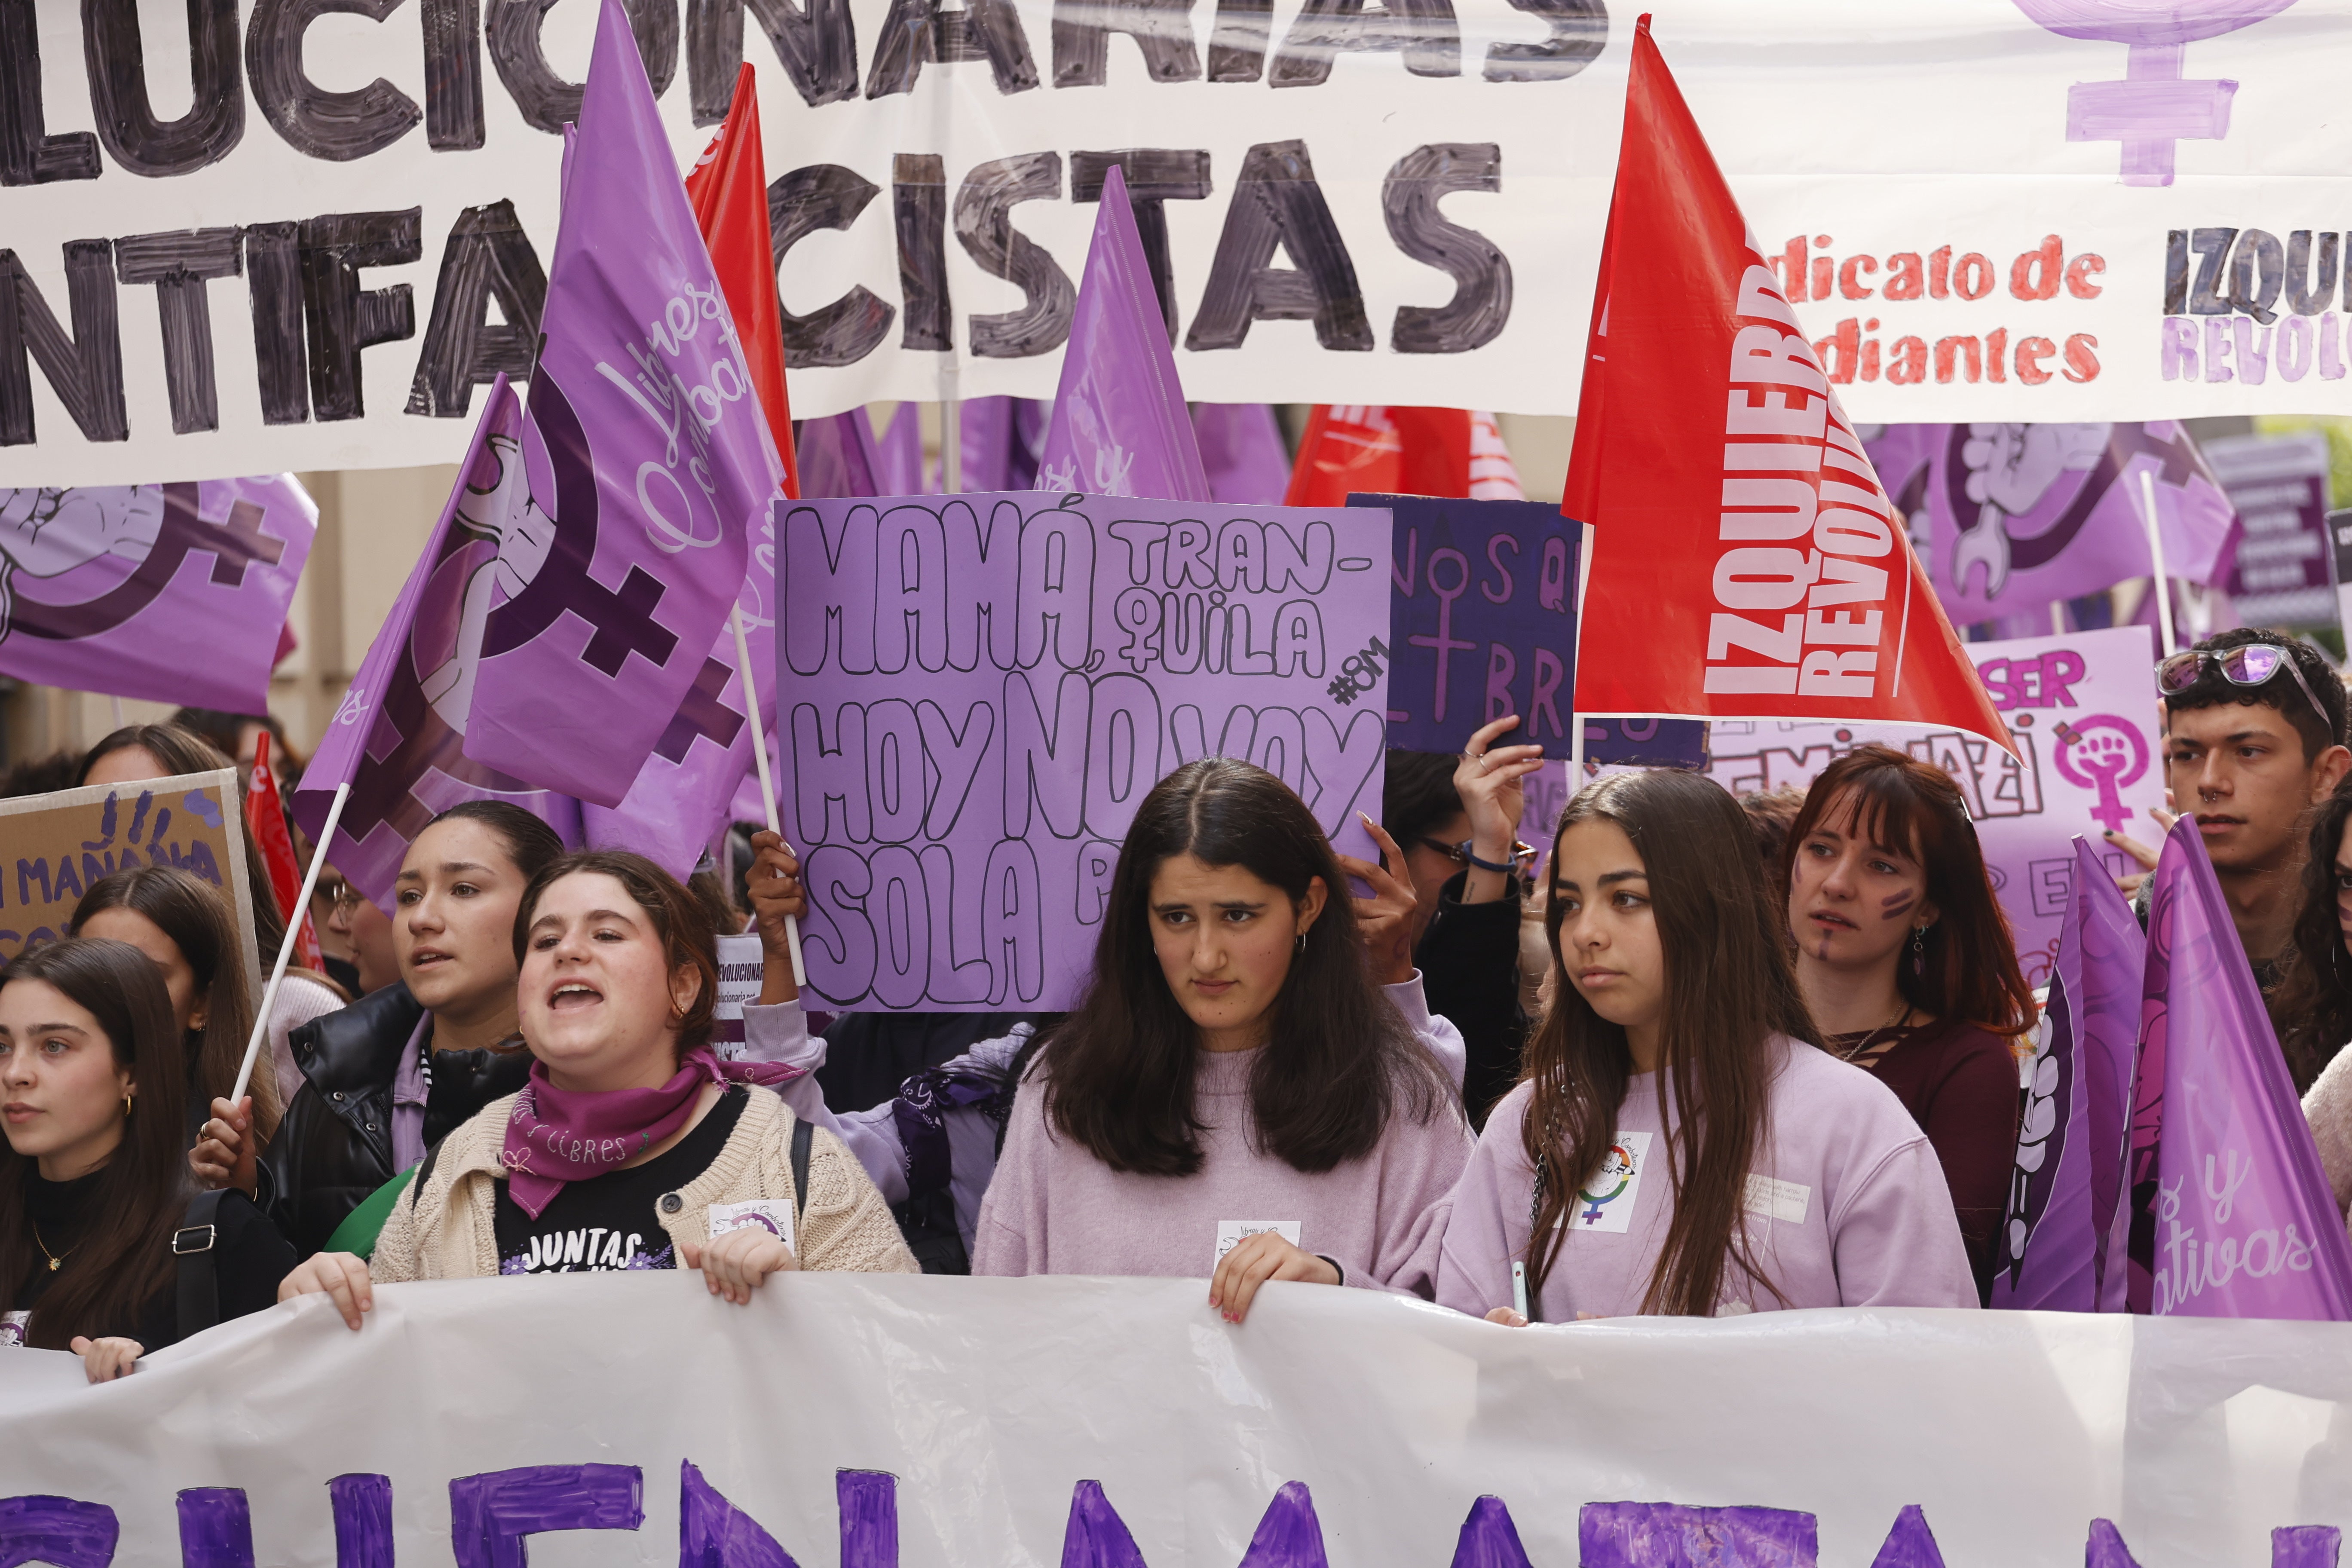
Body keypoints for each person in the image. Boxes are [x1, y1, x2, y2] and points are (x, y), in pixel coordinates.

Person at [1436, 768, 1977, 1324]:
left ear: (1714, 908)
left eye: (1627, 898)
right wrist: (1505, 1355)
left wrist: (1669, 1365)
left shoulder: (1854, 1123)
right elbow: (1457, 1341)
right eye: (1569, 903)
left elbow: (1922, 1355)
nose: (1586, 933)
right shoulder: (1532, 1123)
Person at [277, 851, 915, 1322]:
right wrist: (318, 1317)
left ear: (683, 986)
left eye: (607, 934)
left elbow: (901, 1376)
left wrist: (803, 1308)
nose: (568, 952)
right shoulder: (453, 1175)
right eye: (545, 940)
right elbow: (378, 1404)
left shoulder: (796, 1165)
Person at [964, 759, 1470, 1322]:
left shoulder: (1403, 1099)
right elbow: (995, 1333)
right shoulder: (1060, 1090)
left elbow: (1469, 1331)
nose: (1206, 957)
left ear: (1308, 907)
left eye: (1237, 915)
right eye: (1177, 917)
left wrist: (1338, 1289)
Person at [193, 801, 567, 1257]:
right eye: (409, 896)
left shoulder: (586, 1084)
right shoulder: (335, 1081)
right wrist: (247, 1196)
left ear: (543, 913)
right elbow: (277, 1279)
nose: (422, 918)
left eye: (464, 889)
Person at [1779, 746, 2034, 1300]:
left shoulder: (1968, 1066)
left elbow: (1936, 1280)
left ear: (1927, 908)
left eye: (1882, 866)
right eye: (1821, 849)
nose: (1837, 883)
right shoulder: (1713, 1034)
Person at [0, 939, 292, 1382]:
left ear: (132, 1072)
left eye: (54, 1046)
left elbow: (285, 1404)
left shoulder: (220, 1238)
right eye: (2, 1046)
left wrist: (148, 1381)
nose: (15, 1073)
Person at [2110, 631, 2352, 987]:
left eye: (2248, 751)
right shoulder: (2111, 957)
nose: (2209, 782)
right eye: (2188, 755)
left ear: (2327, 774)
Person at [73, 866, 318, 1146]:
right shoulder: (37, 1119)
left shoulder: (229, 1153)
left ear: (202, 1004)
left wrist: (217, 1177)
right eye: (91, 971)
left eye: (147, 976)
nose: (111, 995)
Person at [1382, 714, 1547, 1125]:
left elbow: (1476, 1060)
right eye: (1466, 853)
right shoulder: (1315, 971)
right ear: (1389, 846)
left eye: (1508, 853)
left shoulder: (1520, 970)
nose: (1491, 874)